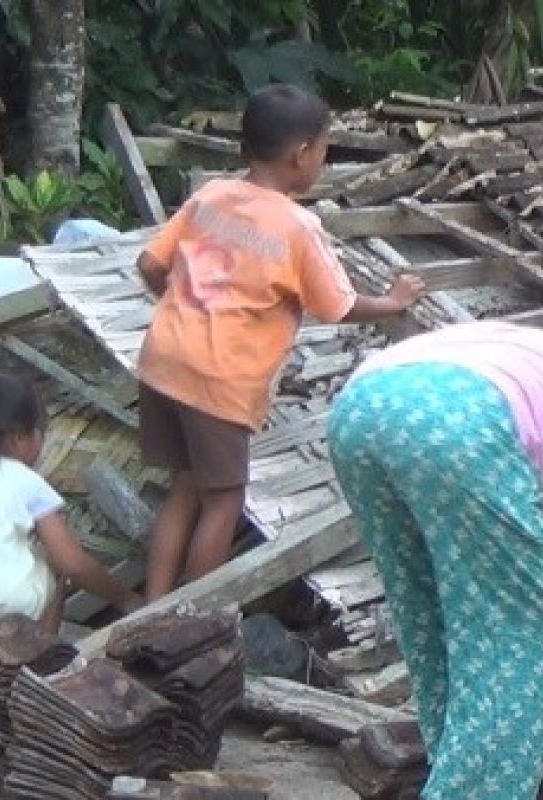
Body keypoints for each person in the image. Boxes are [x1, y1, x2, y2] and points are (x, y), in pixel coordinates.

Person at [326, 318, 543, 800]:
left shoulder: (523, 352)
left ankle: (448, 773)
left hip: (358, 408)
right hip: (463, 418)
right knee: (535, 638)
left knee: (430, 623)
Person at [136, 84, 425, 600]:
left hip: (162, 359)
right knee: (223, 499)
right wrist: (395, 301)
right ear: (302, 155)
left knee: (183, 487)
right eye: (324, 150)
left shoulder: (209, 197)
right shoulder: (297, 226)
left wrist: (180, 308)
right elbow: (338, 304)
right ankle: (189, 618)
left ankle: (154, 604)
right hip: (218, 380)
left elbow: (149, 264)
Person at [0, 373, 141, 632]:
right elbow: (73, 564)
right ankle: (42, 657)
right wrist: (126, 599)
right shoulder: (23, 479)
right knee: (56, 566)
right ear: (19, 437)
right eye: (40, 433)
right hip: (5, 607)